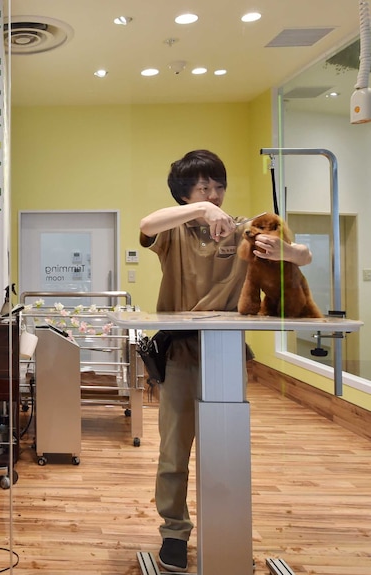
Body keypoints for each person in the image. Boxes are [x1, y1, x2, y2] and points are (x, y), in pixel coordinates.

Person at [139, 149, 312, 572]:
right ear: (185, 195)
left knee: (225, 448)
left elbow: (303, 254)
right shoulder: (174, 232)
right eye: (203, 188)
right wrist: (197, 210)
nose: (214, 195)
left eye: (219, 187)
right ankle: (174, 532)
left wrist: (284, 252)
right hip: (181, 354)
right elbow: (145, 226)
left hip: (227, 353)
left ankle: (227, 528)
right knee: (174, 451)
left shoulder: (240, 232)